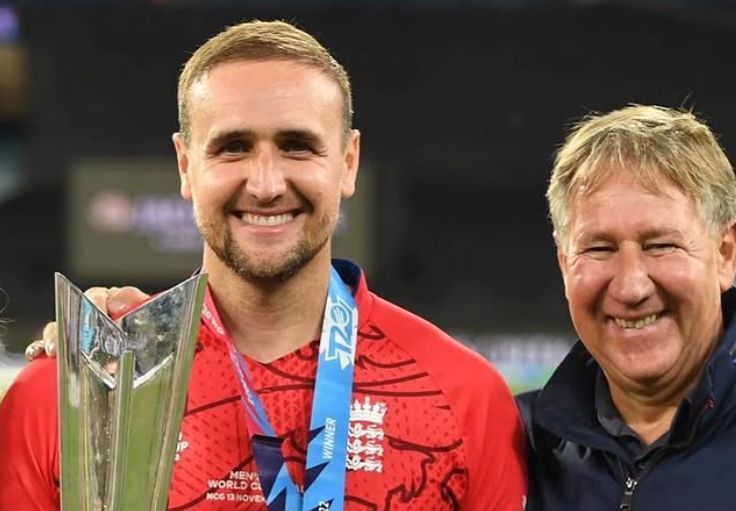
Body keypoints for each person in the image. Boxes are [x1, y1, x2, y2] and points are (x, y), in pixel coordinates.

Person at [0, 20, 527, 510]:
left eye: (298, 146)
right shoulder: (73, 398)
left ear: (348, 162)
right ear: (186, 165)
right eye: (233, 147)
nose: (267, 184)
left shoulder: (464, 398)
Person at [517, 105, 736, 510]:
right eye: (599, 249)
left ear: (725, 254)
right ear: (565, 264)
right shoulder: (513, 444)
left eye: (661, 246)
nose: (631, 286)